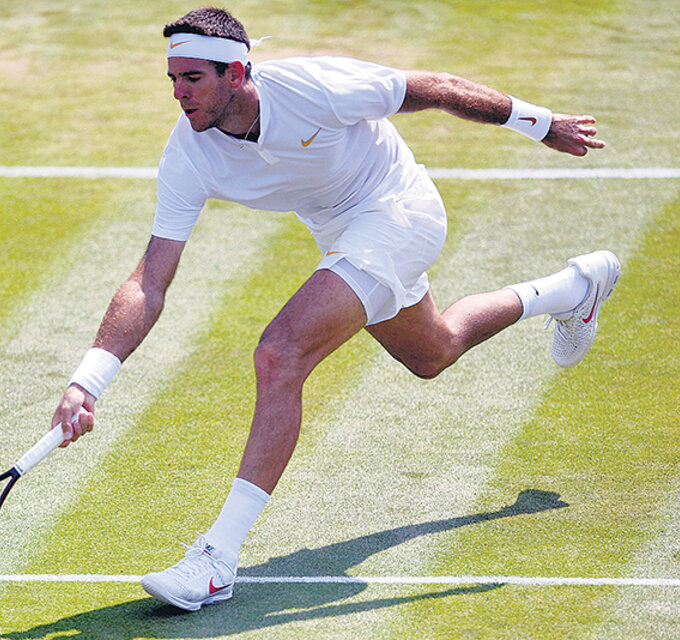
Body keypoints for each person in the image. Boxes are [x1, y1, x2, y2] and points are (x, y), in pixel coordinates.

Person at [51, 7, 618, 611]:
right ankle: (574, 288)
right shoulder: (188, 154)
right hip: (341, 234)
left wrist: (541, 124)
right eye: (172, 79)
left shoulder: (312, 86)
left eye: (193, 78)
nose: (178, 93)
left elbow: (438, 89)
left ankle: (216, 561)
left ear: (237, 73)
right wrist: (90, 380)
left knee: (280, 353)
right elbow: (150, 281)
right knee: (435, 350)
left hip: (400, 211)